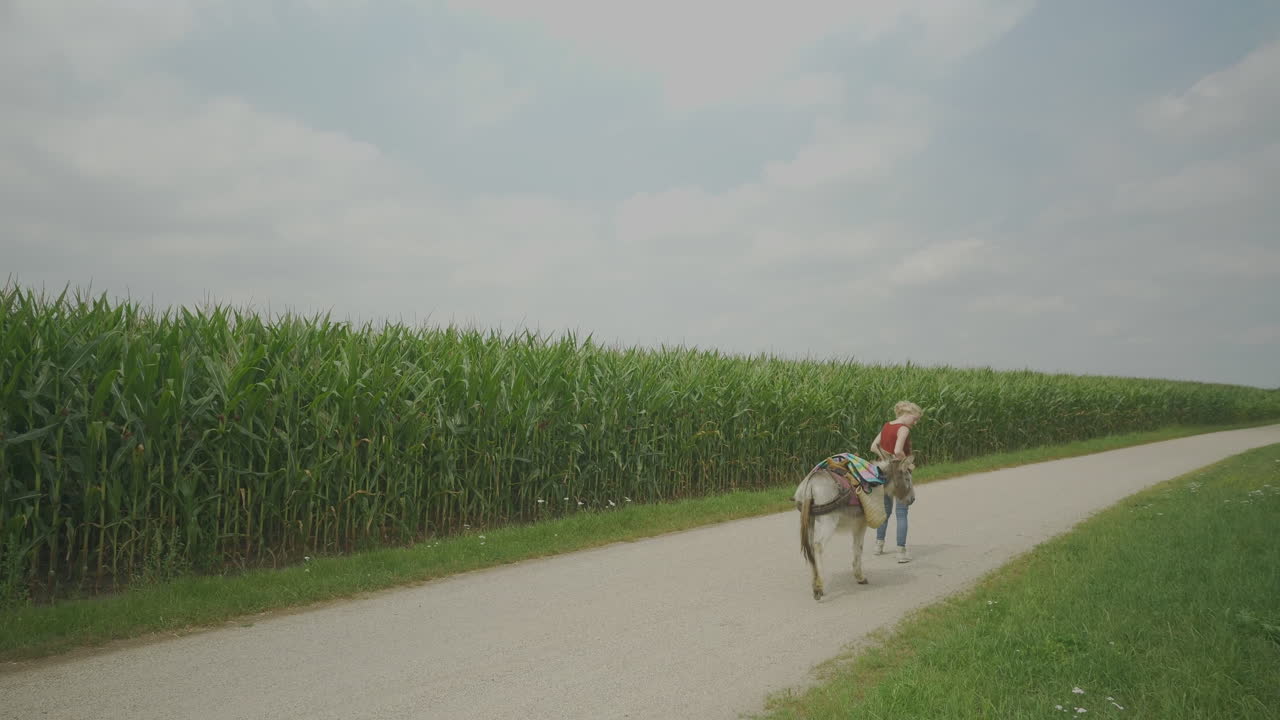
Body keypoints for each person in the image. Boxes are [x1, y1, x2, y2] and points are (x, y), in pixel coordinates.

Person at [870, 400, 922, 563]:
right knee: (901, 513)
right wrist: (908, 464)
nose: (915, 423)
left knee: (885, 511)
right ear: (906, 414)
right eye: (915, 419)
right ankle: (901, 552)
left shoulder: (887, 426)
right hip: (899, 474)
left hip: (884, 472)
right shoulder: (903, 429)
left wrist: (886, 459)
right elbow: (898, 450)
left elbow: (873, 446)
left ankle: (878, 546)